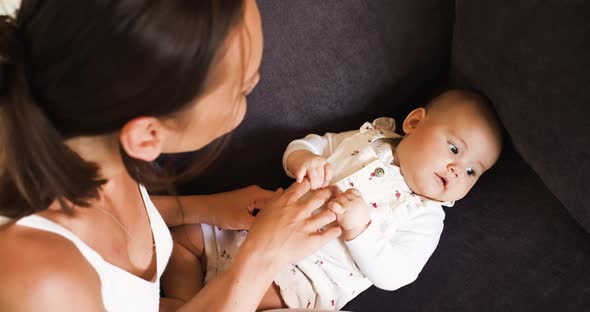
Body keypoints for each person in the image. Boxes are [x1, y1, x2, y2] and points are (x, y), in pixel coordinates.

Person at [0, 1, 342, 311]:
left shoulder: (89, 134)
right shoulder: (39, 283)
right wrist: (260, 259)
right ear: (147, 136)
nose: (254, 87)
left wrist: (206, 208)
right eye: (242, 90)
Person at [162, 89, 504, 310]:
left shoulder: (425, 216)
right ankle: (185, 302)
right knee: (181, 240)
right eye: (455, 149)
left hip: (301, 285)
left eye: (474, 171)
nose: (458, 170)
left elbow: (397, 275)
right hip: (254, 231)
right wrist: (302, 161)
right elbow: (310, 145)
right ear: (415, 122)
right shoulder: (367, 139)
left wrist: (362, 230)